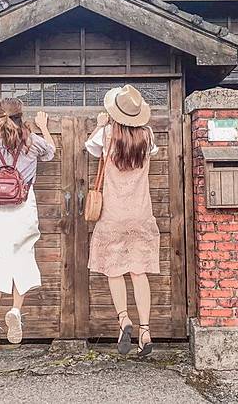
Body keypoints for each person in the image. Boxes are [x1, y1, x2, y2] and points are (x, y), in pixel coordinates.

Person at [85, 84, 161, 357]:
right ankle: (145, 331)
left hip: (113, 214)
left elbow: (89, 148)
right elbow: (153, 152)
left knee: (114, 269)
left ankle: (124, 319)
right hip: (140, 213)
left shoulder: (106, 134)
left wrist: (100, 124)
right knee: (139, 272)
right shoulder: (147, 136)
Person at [0, 98, 55, 348]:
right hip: (23, 204)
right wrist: (43, 127)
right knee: (23, 255)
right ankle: (15, 311)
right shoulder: (32, 142)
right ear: (21, 116)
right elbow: (50, 152)